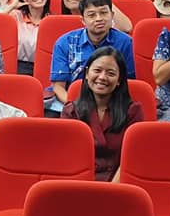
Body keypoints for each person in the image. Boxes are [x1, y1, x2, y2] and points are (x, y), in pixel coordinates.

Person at [61, 47, 144, 182]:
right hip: (79, 182)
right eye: (97, 70)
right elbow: (68, 156)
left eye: (110, 73)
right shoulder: (71, 111)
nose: (102, 77)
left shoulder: (132, 111)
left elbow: (133, 156)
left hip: (119, 183)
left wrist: (111, 189)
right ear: (87, 74)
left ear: (119, 80)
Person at [49, 0, 136, 112]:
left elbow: (129, 82)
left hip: (111, 104)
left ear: (112, 15)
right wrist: (76, 107)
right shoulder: (64, 43)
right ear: (83, 20)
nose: (99, 19)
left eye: (103, 13)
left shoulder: (125, 42)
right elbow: (58, 87)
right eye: (91, 15)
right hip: (72, 102)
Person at [11, 0, 51, 76]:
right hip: (19, 68)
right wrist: (12, 6)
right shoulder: (15, 16)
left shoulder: (52, 20)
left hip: (46, 68)